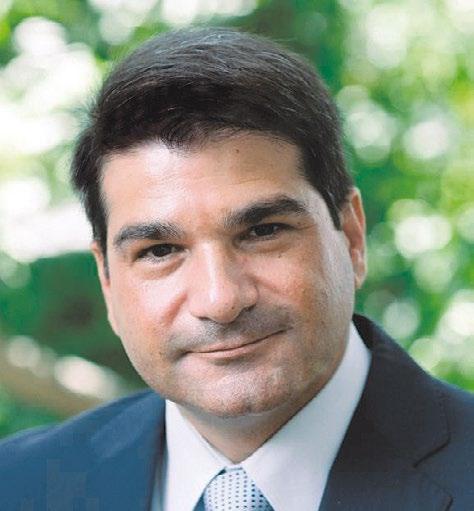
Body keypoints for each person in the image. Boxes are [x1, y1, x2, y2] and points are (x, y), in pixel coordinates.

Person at [0, 27, 473, 511]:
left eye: (263, 231)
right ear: (107, 281)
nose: (220, 300)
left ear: (351, 237)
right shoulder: (15, 486)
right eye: (160, 251)